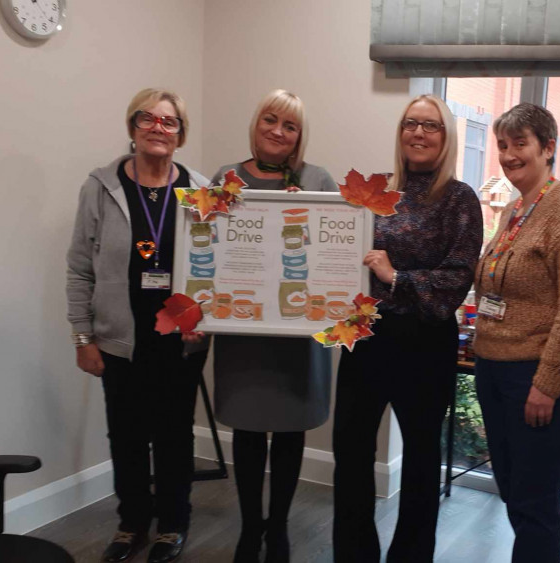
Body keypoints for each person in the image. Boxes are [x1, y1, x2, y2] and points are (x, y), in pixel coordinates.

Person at [332, 95, 483, 562]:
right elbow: (338, 249)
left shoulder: (459, 199)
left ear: (446, 136)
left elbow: (458, 280)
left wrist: (395, 277)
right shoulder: (373, 195)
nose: (418, 133)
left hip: (424, 344)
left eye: (431, 126)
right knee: (351, 457)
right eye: (410, 124)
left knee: (420, 462)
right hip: (368, 338)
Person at [66, 88, 210, 563]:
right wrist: (84, 337)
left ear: (180, 134)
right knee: (125, 436)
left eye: (169, 122)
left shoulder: (202, 191)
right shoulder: (101, 186)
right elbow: (80, 267)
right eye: (147, 118)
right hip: (118, 338)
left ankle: (172, 525)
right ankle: (130, 525)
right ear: (132, 127)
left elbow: (221, 267)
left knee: (173, 436)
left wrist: (209, 316)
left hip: (179, 339)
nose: (157, 128)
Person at [472, 103, 560, 563]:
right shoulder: (515, 209)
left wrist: (547, 385)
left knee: (535, 502)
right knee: (513, 489)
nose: (509, 155)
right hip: (496, 370)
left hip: (538, 377)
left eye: (520, 144)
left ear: (548, 148)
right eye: (503, 145)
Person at [210, 89, 338, 563]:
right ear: (256, 123)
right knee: (246, 428)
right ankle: (250, 528)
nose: (278, 132)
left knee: (289, 430)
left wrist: (302, 213)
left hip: (297, 335)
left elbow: (332, 251)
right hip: (243, 331)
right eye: (270, 120)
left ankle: (278, 528)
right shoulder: (226, 178)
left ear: (299, 136)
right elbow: (208, 249)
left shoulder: (317, 178)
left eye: (290, 126)